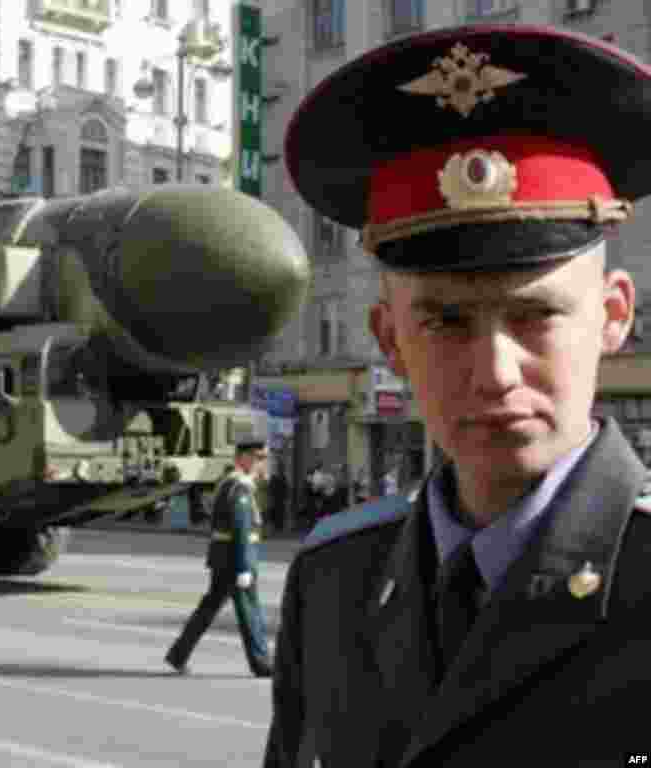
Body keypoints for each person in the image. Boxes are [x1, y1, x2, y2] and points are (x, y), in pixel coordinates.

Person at [265, 25, 651, 767]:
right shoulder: (334, 581)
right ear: (389, 340)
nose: (495, 371)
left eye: (536, 314)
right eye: (446, 321)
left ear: (612, 316)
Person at [166, 440, 273, 678]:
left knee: (208, 609)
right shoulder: (239, 486)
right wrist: (244, 566)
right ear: (243, 458)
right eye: (258, 459)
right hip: (235, 560)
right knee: (250, 612)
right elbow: (241, 528)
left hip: (224, 558)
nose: (261, 464)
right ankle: (262, 663)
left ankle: (178, 655)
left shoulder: (231, 483)